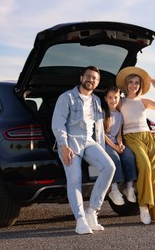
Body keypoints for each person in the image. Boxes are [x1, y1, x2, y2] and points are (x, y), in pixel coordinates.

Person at [51, 66, 115, 234]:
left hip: (89, 141)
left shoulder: (96, 101)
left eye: (95, 78)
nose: (91, 80)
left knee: (109, 167)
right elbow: (58, 124)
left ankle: (92, 212)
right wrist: (63, 146)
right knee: (75, 179)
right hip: (70, 142)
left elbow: (98, 128)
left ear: (97, 82)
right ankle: (80, 220)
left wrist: (101, 147)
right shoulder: (67, 98)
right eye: (88, 76)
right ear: (81, 78)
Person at [116, 66, 155, 225]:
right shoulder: (121, 102)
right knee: (145, 167)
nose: (134, 85)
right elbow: (113, 119)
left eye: (137, 83)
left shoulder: (143, 102)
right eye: (131, 82)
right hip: (131, 137)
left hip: (148, 137)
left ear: (140, 85)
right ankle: (144, 206)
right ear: (126, 84)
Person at [103, 86, 137, 205]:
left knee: (128, 155)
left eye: (116, 97)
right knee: (115, 158)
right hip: (106, 144)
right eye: (110, 98)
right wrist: (115, 147)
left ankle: (129, 187)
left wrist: (121, 144)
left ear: (119, 98)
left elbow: (118, 134)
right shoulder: (102, 114)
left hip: (116, 142)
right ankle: (114, 190)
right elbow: (103, 136)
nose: (113, 100)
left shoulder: (120, 115)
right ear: (106, 99)